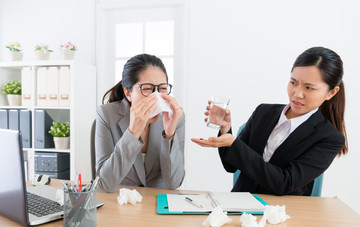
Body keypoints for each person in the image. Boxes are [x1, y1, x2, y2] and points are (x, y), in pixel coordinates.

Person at [192, 47, 348, 196]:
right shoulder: (263, 112)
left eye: (309, 88)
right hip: (239, 205)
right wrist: (226, 130)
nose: (297, 94)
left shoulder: (330, 138)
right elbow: (231, 166)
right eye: (293, 82)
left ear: (331, 93)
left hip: (283, 214)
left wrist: (234, 144)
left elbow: (283, 183)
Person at [96, 53, 185, 193]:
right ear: (128, 93)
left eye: (162, 88)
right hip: (122, 201)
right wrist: (132, 132)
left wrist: (169, 134)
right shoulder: (107, 115)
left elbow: (174, 182)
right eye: (147, 89)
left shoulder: (175, 115)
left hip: (158, 201)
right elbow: (106, 184)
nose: (156, 97)